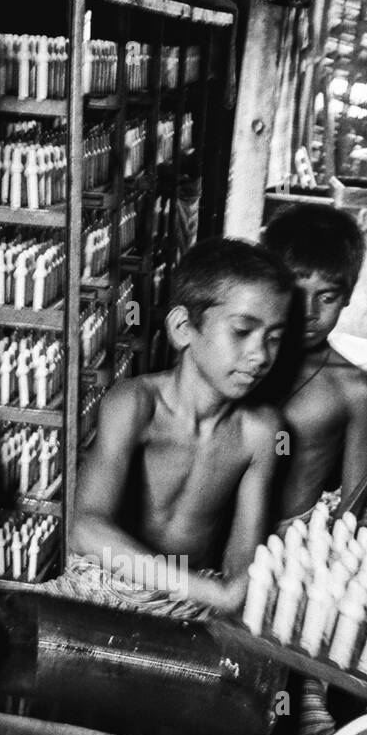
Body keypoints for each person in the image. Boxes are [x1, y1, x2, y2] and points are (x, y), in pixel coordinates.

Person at [72, 238, 292, 615]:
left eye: (273, 339)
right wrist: (214, 593)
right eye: (242, 331)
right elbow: (85, 528)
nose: (260, 355)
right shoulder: (134, 403)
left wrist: (226, 596)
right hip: (110, 581)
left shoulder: (262, 431)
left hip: (196, 598)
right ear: (183, 328)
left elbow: (242, 559)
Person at [263, 206, 367, 530]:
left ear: (347, 297)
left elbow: (352, 502)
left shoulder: (356, 390)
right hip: (212, 529)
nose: (310, 312)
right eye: (296, 294)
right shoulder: (246, 361)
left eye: (327, 297)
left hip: (290, 536)